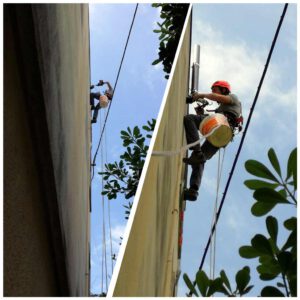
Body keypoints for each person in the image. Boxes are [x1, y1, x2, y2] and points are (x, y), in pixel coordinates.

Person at [183, 80, 242, 201]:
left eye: (215, 89)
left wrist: (200, 95)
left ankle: (197, 152)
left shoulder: (233, 98)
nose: (212, 93)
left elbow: (216, 98)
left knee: (189, 119)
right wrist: (202, 114)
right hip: (223, 135)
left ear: (224, 90)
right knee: (200, 160)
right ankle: (193, 190)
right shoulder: (222, 108)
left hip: (220, 124)